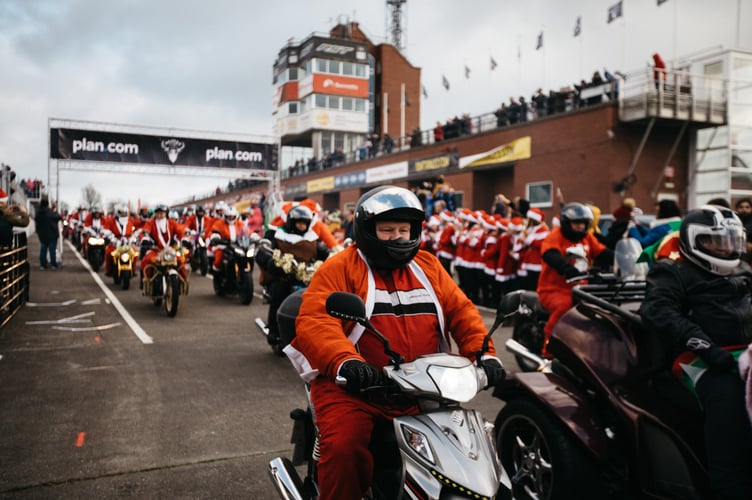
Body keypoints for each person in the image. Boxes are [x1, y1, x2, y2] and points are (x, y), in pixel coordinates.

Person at [283, 186, 504, 499]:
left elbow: (462, 311)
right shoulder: (340, 267)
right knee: (345, 446)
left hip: (426, 389)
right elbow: (316, 320)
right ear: (367, 230)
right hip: (356, 388)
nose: (398, 237)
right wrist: (347, 362)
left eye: (404, 229)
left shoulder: (428, 266)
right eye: (387, 230)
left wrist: (484, 355)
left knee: (473, 448)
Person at [640, 205, 752, 499]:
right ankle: (729, 488)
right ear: (694, 241)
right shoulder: (672, 272)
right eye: (715, 241)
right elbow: (658, 312)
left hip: (744, 354)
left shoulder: (744, 271)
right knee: (729, 398)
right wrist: (705, 346)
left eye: (730, 240)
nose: (724, 248)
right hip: (695, 359)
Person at [537, 203, 612, 357]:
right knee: (564, 309)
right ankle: (548, 352)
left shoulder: (587, 237)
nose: (580, 227)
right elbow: (550, 254)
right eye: (576, 223)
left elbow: (602, 252)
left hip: (582, 289)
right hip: (554, 289)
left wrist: (621, 258)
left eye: (583, 224)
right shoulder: (555, 236)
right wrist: (565, 268)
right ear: (566, 223)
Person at [255, 205, 329, 350]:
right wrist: (272, 262)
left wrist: (333, 257)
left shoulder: (312, 238)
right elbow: (262, 253)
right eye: (299, 222)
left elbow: (325, 253)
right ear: (291, 222)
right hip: (284, 277)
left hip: (307, 277)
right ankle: (274, 333)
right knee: (279, 294)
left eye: (305, 223)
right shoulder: (276, 234)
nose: (302, 226)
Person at [139, 204, 185, 286]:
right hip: (156, 249)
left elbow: (180, 230)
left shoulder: (171, 222)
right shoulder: (151, 222)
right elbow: (145, 231)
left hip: (170, 250)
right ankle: (145, 281)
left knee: (181, 260)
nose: (160, 215)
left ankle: (183, 281)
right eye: (158, 213)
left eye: (162, 213)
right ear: (155, 214)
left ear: (166, 213)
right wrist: (145, 239)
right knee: (146, 260)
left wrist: (182, 238)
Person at [206, 206, 247, 274]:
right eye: (229, 216)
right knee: (218, 258)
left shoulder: (239, 223)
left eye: (232, 216)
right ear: (225, 216)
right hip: (224, 245)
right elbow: (214, 231)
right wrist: (215, 237)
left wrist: (253, 236)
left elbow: (246, 231)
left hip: (237, 245)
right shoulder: (219, 223)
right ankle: (217, 275)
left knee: (246, 255)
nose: (230, 218)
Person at [35, 198, 62, 270]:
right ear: (47, 205)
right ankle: (53, 264)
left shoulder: (38, 213)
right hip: (52, 234)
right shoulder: (50, 212)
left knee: (43, 249)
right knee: (52, 250)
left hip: (42, 234)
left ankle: (42, 265)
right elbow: (59, 217)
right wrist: (55, 211)